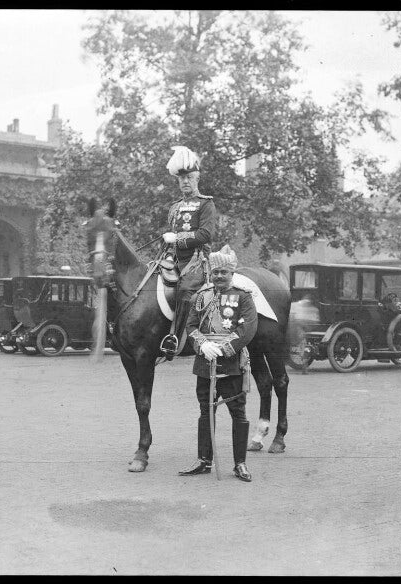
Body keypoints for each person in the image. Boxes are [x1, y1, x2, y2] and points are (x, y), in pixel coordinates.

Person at [178, 245, 257, 482]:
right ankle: (204, 460)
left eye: (224, 272)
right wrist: (202, 345)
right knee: (206, 411)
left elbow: (247, 329)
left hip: (232, 365)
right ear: (210, 273)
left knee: (238, 413)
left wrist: (222, 349)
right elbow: (191, 326)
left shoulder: (243, 297)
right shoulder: (201, 296)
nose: (219, 276)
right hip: (205, 363)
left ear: (232, 273)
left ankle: (240, 464)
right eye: (215, 272)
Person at [159, 146, 217, 359]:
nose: (185, 181)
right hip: (174, 259)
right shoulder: (174, 207)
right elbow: (170, 238)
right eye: (182, 178)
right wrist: (164, 254)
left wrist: (178, 239)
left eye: (189, 177)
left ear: (197, 179)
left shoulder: (206, 204)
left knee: (184, 291)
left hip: (196, 261)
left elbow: (205, 235)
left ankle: (175, 338)